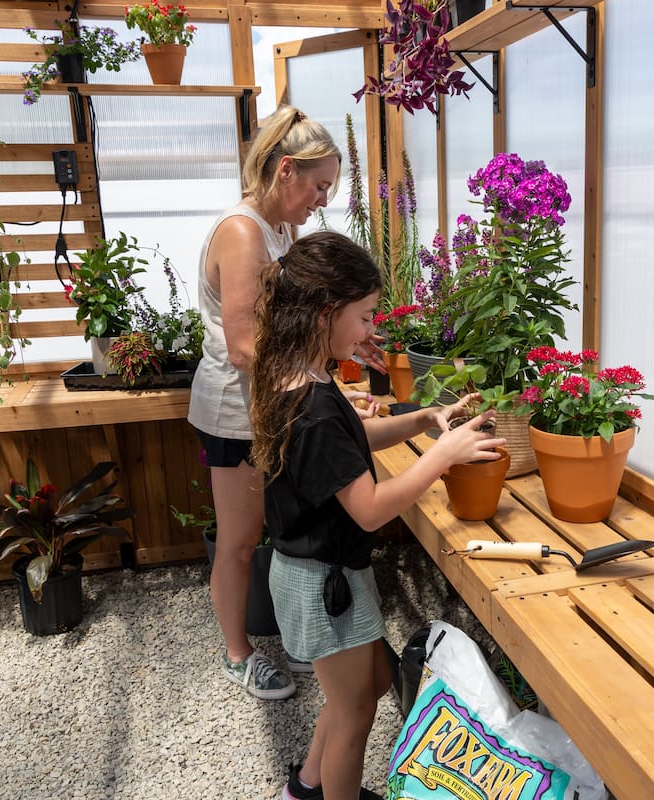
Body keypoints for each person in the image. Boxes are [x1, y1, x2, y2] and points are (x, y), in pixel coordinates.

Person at [249, 230, 504, 800]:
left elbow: (354, 439)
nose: (371, 332)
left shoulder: (303, 375)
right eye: (364, 317)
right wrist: (442, 456)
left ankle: (307, 786)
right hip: (322, 584)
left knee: (371, 685)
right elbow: (366, 511)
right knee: (355, 711)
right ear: (323, 313)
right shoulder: (311, 403)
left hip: (322, 574)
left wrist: (423, 420)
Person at [188, 105, 383, 700]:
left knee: (283, 532)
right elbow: (248, 348)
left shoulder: (281, 229)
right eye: (319, 185)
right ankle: (238, 654)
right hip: (237, 410)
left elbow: (293, 323)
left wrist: (347, 340)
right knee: (242, 538)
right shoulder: (243, 231)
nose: (322, 199)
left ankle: (306, 641)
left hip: (273, 404)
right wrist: (325, 386)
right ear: (285, 170)